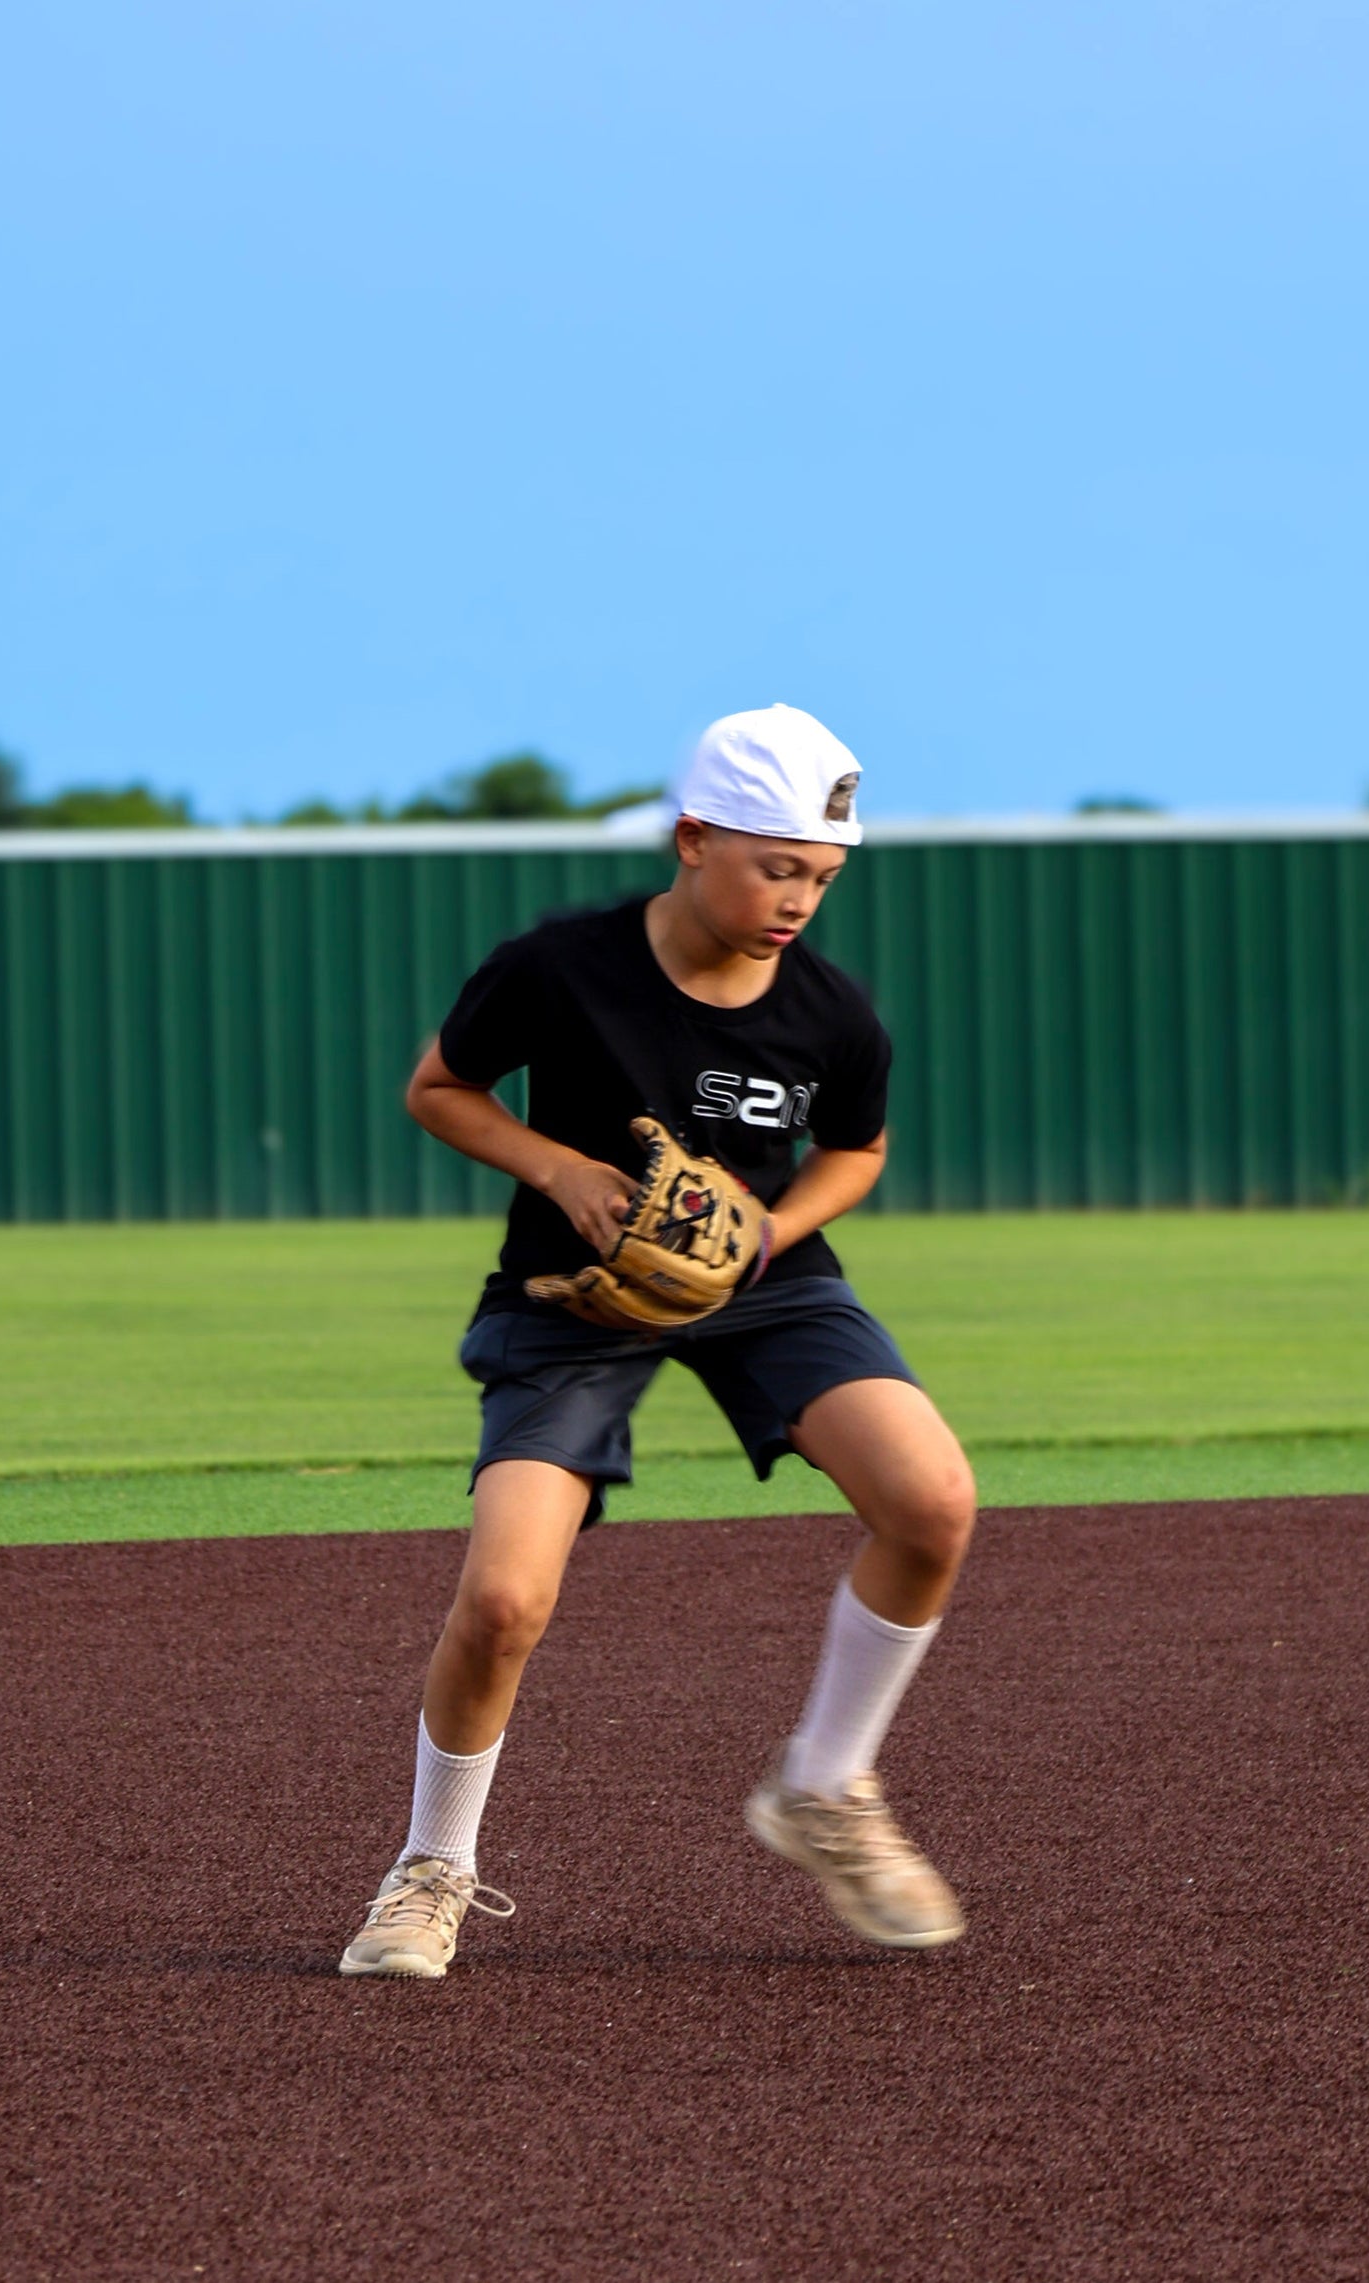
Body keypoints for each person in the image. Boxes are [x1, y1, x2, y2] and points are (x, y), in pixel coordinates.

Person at [340, 704, 977, 1979]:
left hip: (760, 1278)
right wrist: (562, 1169)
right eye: (778, 866)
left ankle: (826, 1788)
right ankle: (432, 1867)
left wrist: (776, 1227)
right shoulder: (562, 967)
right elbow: (438, 1087)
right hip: (575, 1287)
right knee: (506, 1597)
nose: (802, 896)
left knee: (933, 1502)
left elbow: (857, 1149)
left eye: (824, 875)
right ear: (694, 838)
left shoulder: (831, 1015)